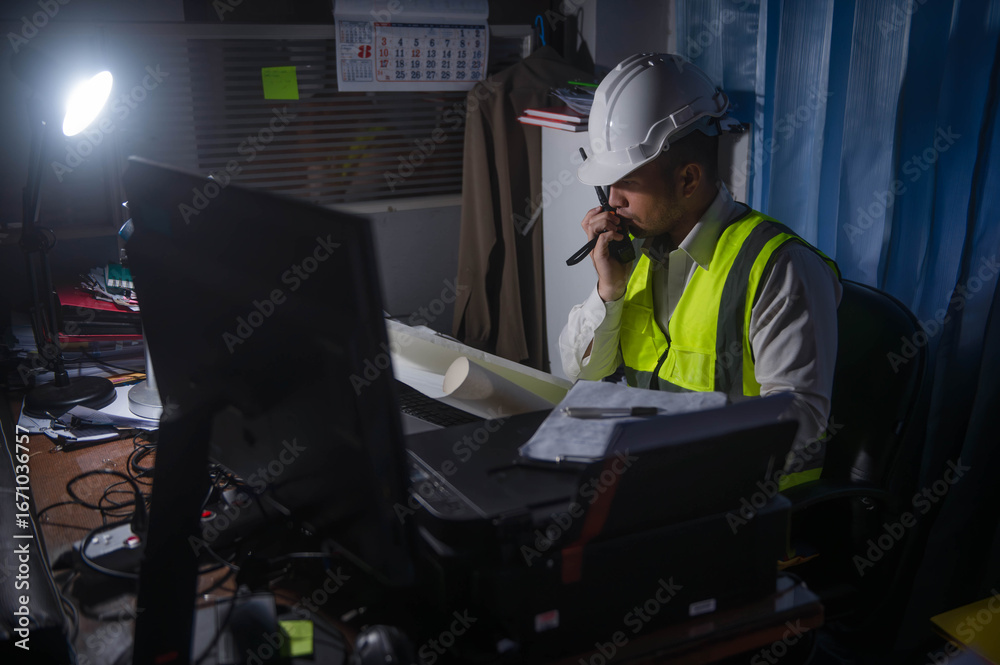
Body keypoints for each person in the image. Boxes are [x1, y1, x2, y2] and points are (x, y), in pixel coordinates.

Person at [559, 53, 842, 490]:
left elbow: (800, 420)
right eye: (608, 185)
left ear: (688, 180)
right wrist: (608, 291)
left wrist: (676, 441)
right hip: (657, 478)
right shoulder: (635, 251)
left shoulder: (779, 267)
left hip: (745, 501)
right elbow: (584, 374)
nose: (611, 202)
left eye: (627, 183)